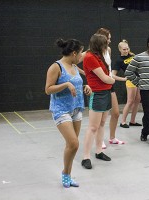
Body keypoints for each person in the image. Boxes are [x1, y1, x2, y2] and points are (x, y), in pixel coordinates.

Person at [45, 38, 92, 187]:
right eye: (80, 54)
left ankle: (68, 175)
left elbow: (77, 82)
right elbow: (48, 89)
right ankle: (65, 173)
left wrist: (85, 86)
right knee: (73, 143)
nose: (81, 57)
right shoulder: (56, 67)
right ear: (73, 53)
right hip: (61, 109)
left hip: (76, 108)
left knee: (72, 146)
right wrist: (65, 84)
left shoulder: (74, 66)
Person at [81, 34, 115, 169]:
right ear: (99, 45)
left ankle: (99, 151)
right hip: (97, 94)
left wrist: (110, 79)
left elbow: (107, 76)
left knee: (101, 124)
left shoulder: (99, 56)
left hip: (106, 93)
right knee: (93, 127)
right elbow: (105, 78)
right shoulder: (90, 57)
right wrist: (112, 80)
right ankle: (86, 157)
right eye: (105, 44)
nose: (106, 47)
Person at [96, 28, 125, 146]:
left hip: (109, 83)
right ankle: (99, 140)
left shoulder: (108, 49)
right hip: (99, 85)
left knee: (116, 113)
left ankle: (112, 138)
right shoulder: (93, 52)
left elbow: (108, 68)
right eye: (108, 39)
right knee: (101, 117)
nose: (110, 41)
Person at [112, 40, 142, 128]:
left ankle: (132, 121)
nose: (126, 51)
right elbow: (113, 75)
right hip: (130, 81)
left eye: (127, 49)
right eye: (124, 49)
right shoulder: (119, 60)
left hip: (138, 80)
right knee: (130, 101)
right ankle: (123, 122)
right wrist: (123, 79)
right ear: (120, 50)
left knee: (137, 100)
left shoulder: (132, 55)